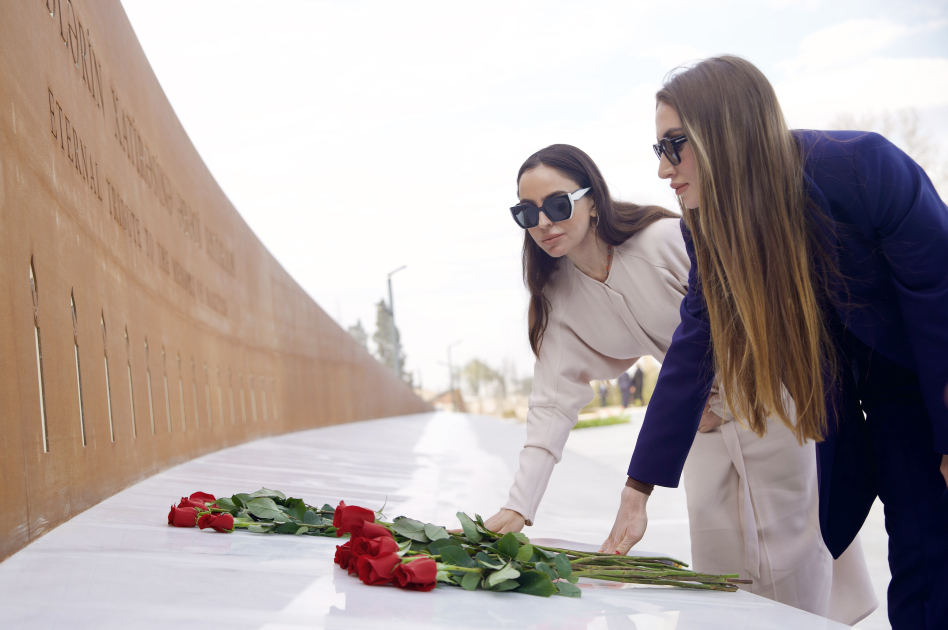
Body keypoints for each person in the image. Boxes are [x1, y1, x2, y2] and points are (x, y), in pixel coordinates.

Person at [600, 56, 948, 629]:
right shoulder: (706, 219)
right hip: (835, 397)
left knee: (927, 542)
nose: (664, 170)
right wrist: (638, 488)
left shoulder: (864, 167)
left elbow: (939, 302)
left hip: (920, 380)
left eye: (674, 146)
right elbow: (695, 341)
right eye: (657, 151)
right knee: (847, 530)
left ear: (723, 131)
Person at [485, 143, 875, 623]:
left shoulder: (663, 240)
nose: (544, 222)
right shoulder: (558, 297)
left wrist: (722, 397)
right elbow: (550, 405)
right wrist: (518, 507)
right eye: (526, 212)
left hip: (771, 403)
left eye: (558, 205)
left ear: (592, 199)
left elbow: (748, 313)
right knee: (718, 566)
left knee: (792, 557)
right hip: (701, 426)